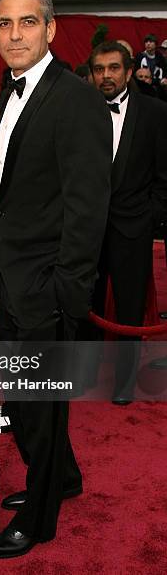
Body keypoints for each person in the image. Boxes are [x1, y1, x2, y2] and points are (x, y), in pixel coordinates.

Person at [0, 0, 112, 559]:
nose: (13, 34)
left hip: (48, 287)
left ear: (51, 29)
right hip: (11, 279)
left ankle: (39, 518)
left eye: (27, 22)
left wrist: (67, 292)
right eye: (3, 23)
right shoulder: (9, 92)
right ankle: (64, 478)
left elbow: (88, 206)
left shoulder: (75, 97)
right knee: (28, 399)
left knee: (38, 405)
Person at [89, 41, 167, 404]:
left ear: (128, 69)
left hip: (133, 226)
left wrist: (150, 218)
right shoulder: (80, 111)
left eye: (113, 68)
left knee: (130, 307)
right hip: (86, 227)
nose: (106, 75)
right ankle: (83, 374)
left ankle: (124, 383)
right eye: (99, 69)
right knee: (83, 301)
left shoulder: (154, 112)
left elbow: (164, 176)